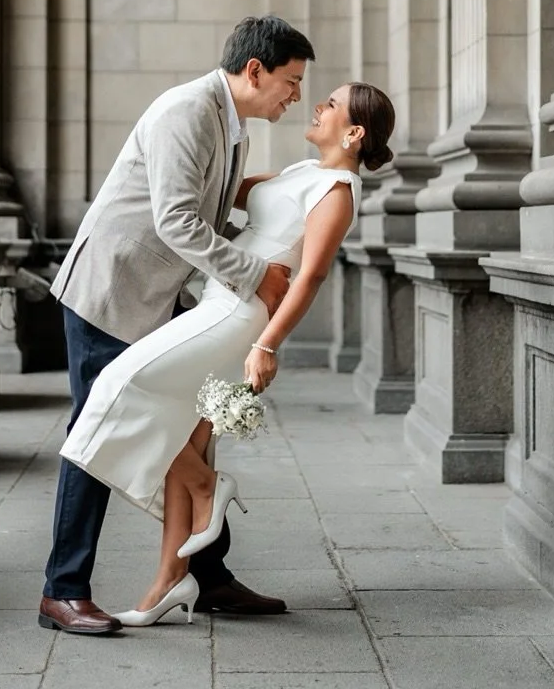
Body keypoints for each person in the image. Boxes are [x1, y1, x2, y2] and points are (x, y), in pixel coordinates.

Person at [62, 80, 396, 627]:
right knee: (184, 431)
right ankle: (169, 584)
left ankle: (206, 487)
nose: (316, 103)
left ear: (355, 133)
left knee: (122, 384)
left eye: (331, 104)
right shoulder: (301, 173)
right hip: (217, 298)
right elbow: (225, 191)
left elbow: (308, 279)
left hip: (237, 315)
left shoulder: (336, 191)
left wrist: (267, 345)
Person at [39, 15, 316, 635]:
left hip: (160, 297)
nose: (295, 95)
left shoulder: (231, 121)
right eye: (291, 82)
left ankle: (208, 575)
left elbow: (222, 199)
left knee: (195, 423)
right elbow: (177, 222)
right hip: (109, 291)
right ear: (255, 71)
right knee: (97, 434)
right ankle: (61, 591)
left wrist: (312, 183)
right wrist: (254, 275)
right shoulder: (187, 110)